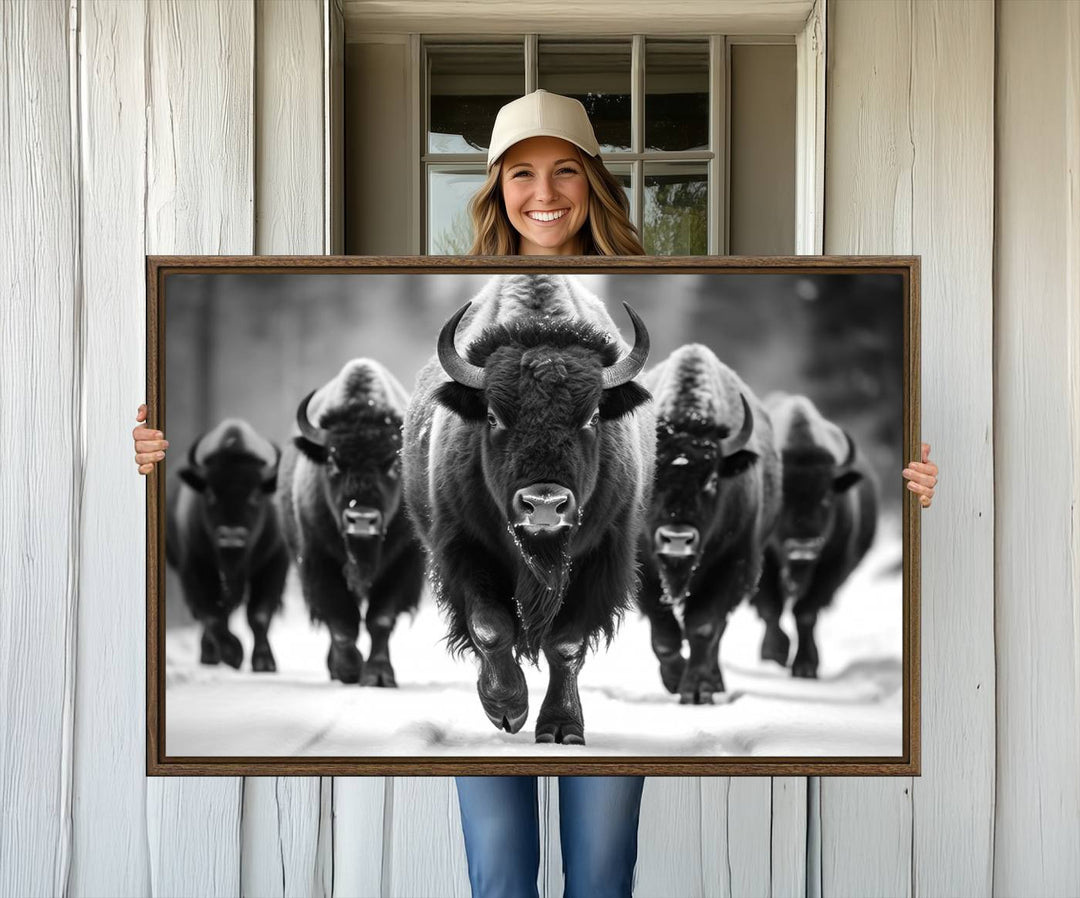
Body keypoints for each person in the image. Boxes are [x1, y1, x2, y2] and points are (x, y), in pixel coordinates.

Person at [131, 90, 939, 897]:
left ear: (596, 181)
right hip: (485, 515)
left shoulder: (620, 352)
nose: (544, 194)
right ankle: (491, 640)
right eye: (520, 173)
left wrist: (917, 477)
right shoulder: (455, 345)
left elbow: (616, 536)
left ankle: (565, 674)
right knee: (499, 869)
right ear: (493, 187)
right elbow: (447, 535)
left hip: (584, 521)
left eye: (565, 172)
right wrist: (151, 452)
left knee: (601, 869)